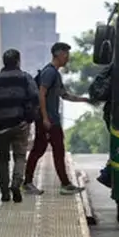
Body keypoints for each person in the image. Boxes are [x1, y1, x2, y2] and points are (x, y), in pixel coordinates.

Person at [23, 42, 89, 195]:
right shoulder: (49, 72)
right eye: (66, 54)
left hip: (52, 119)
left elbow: (64, 95)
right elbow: (41, 94)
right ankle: (29, 183)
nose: (68, 58)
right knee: (41, 151)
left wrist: (84, 99)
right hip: (48, 120)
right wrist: (45, 118)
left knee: (55, 150)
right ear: (59, 54)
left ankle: (64, 184)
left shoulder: (55, 74)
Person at [0, 49, 39, 203]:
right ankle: (16, 183)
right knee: (20, 156)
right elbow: (34, 97)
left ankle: (4, 191)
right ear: (18, 61)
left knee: (3, 158)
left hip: (1, 125)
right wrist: (29, 118)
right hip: (20, 124)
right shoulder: (25, 77)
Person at [88, 64, 114, 188]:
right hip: (117, 113)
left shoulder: (113, 67)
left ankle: (107, 173)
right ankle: (108, 174)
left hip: (112, 112)